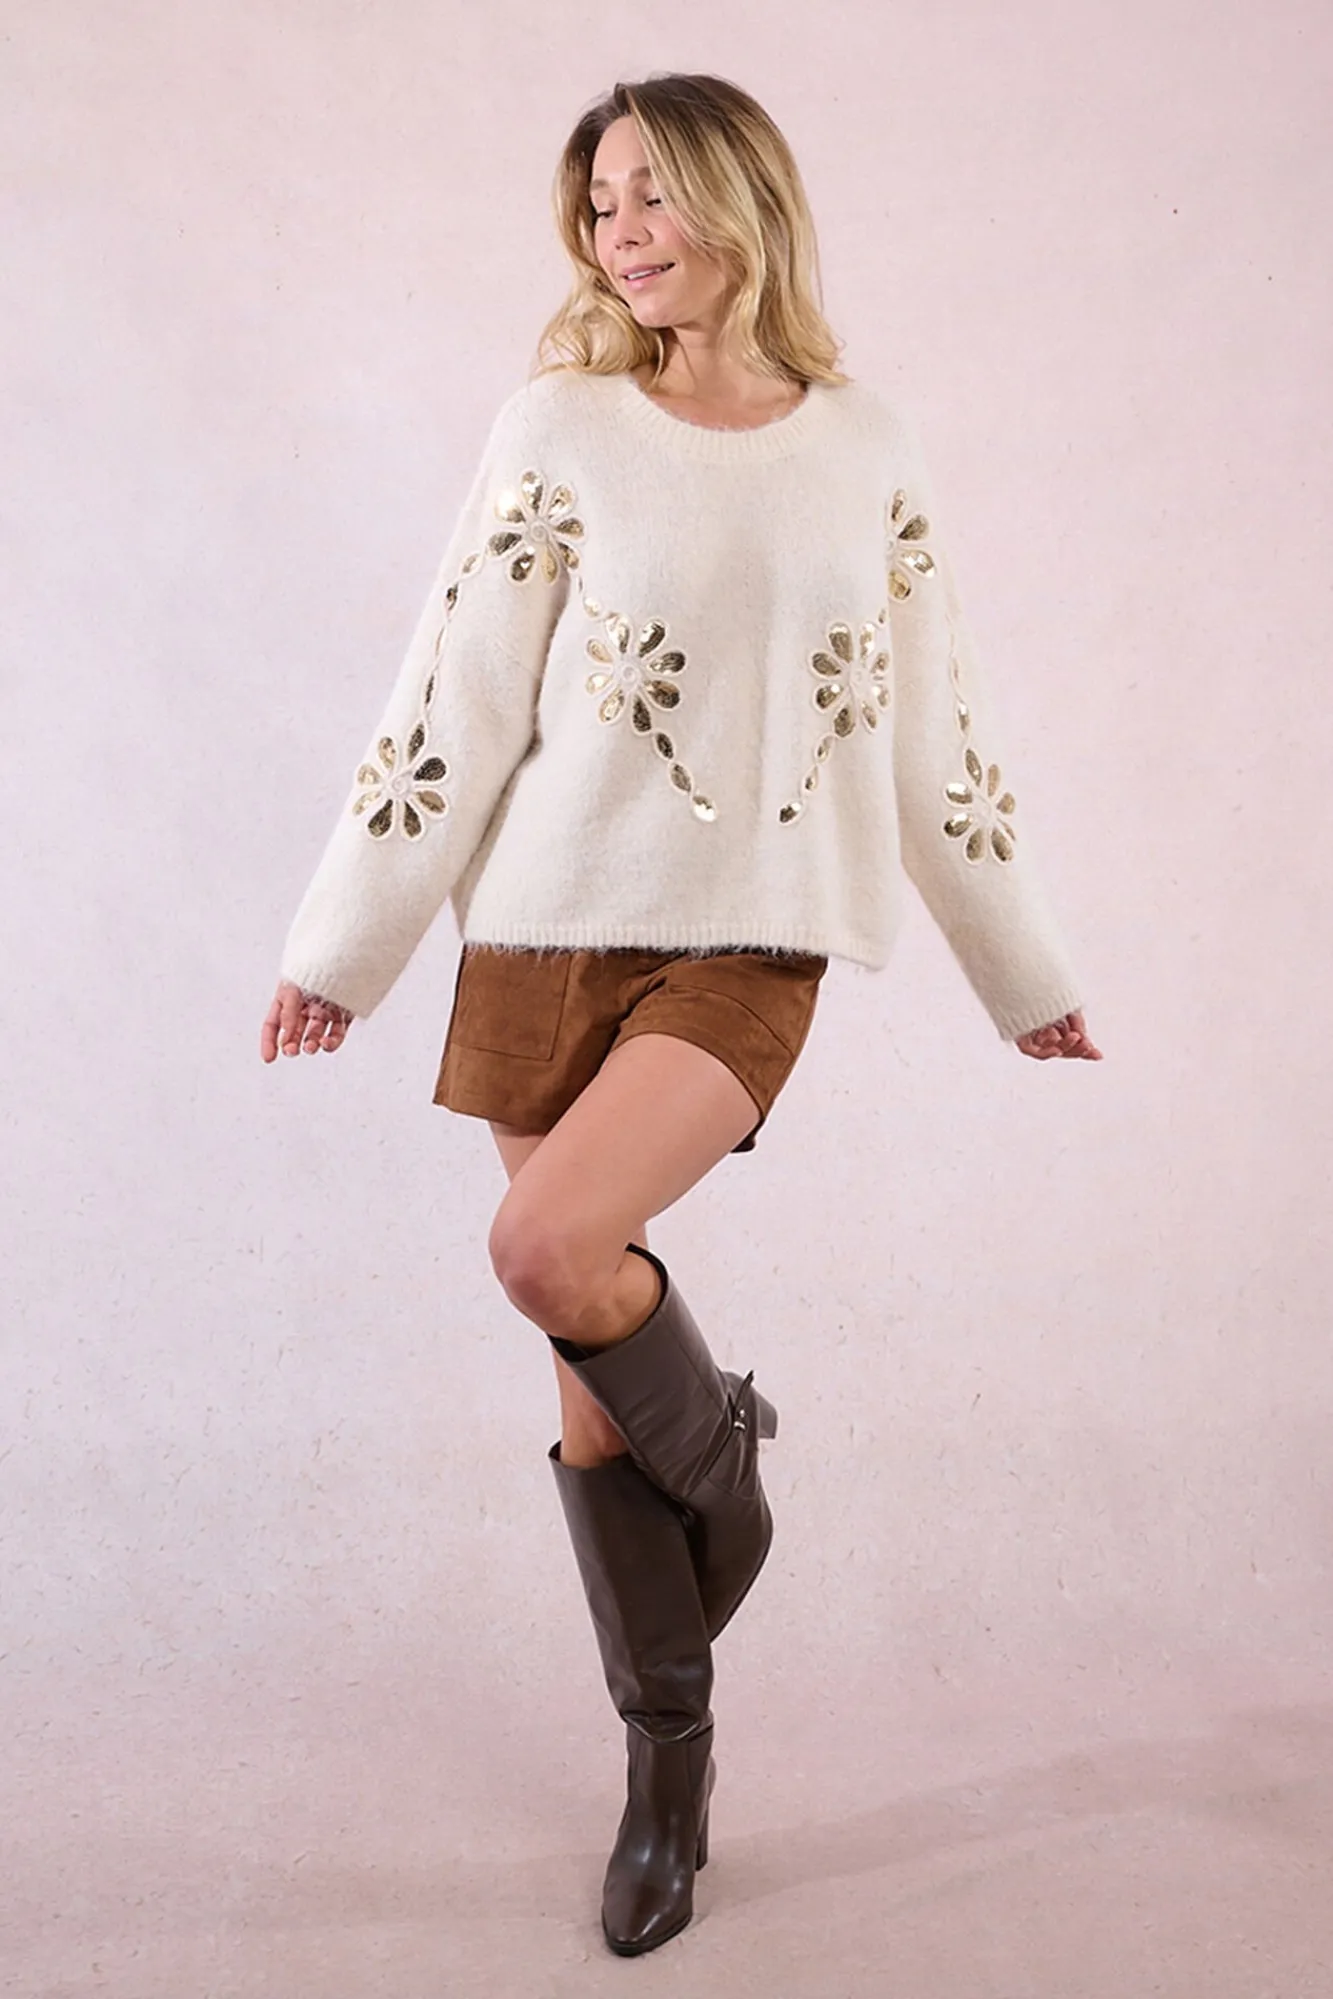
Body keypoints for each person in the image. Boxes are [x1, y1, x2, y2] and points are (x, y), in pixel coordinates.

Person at [260, 71, 1102, 1958]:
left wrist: (1023, 971)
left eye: (651, 192)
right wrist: (342, 945)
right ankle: (670, 1769)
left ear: (743, 202)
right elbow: (454, 697)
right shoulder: (554, 424)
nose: (618, 231)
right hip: (540, 934)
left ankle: (724, 1477)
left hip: (749, 941)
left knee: (543, 1244)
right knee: (581, 1369)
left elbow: (935, 733)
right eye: (598, 202)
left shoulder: (866, 446)